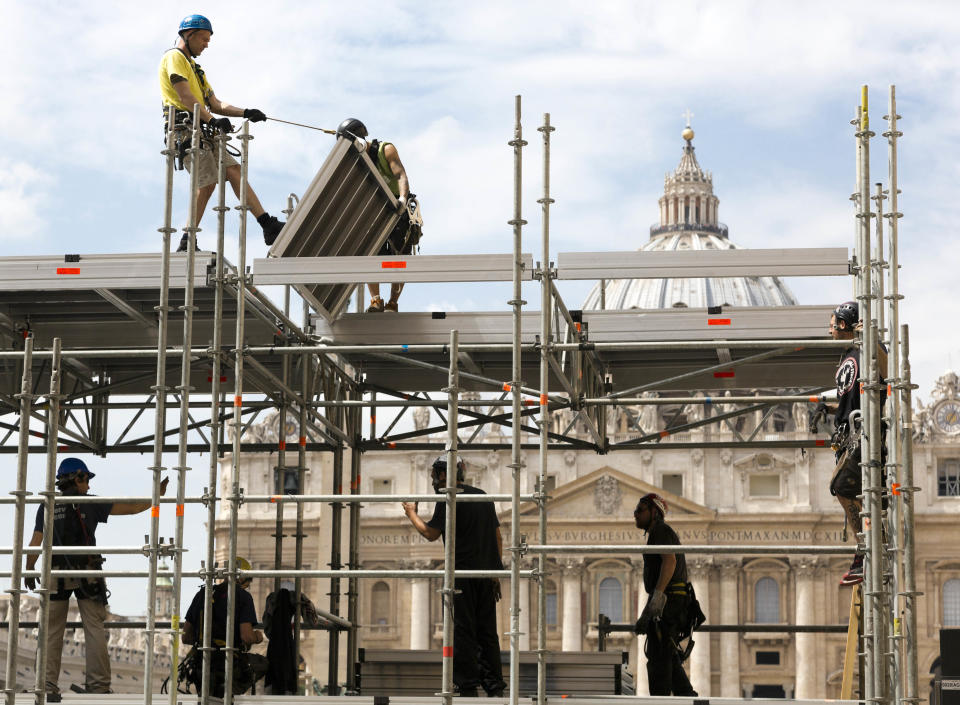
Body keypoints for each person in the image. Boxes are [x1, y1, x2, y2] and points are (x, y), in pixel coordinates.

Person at [24, 458, 168, 701]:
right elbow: (131, 507)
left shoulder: (47, 505)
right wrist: (156, 496)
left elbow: (35, 541)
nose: (89, 486)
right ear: (77, 478)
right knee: (94, 628)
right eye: (86, 480)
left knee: (51, 631)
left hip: (56, 573)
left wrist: (29, 568)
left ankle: (46, 684)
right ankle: (98, 686)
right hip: (87, 572)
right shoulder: (90, 503)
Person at [159, 14, 285, 252]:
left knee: (233, 170)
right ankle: (187, 240)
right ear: (190, 35)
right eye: (204, 39)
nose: (206, 44)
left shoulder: (196, 69)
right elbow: (186, 97)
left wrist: (246, 112)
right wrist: (213, 121)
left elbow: (215, 103)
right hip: (185, 131)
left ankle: (267, 224)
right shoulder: (174, 58)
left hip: (201, 128)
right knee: (207, 183)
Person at [402, 456, 506, 698]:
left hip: (460, 576)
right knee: (488, 633)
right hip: (485, 574)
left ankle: (467, 685)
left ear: (442, 475)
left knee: (462, 630)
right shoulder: (483, 496)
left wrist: (411, 514)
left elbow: (430, 533)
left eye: (434, 476)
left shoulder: (448, 499)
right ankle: (495, 686)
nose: (433, 481)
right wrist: (496, 575)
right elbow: (498, 538)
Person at [818, 300, 888, 585]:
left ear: (844, 325)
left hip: (863, 434)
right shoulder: (846, 356)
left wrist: (871, 340)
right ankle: (869, 548)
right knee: (853, 493)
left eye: (832, 325)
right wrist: (828, 409)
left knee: (842, 488)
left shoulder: (868, 351)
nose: (829, 330)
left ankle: (867, 550)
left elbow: (886, 369)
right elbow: (849, 399)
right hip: (848, 435)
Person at [336, 118, 422, 313]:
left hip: (398, 206)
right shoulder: (355, 161)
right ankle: (376, 300)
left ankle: (393, 302)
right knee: (369, 251)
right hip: (375, 207)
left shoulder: (386, 150)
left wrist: (401, 198)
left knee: (400, 256)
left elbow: (400, 175)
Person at [633, 492, 699, 697]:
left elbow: (669, 562)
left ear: (654, 512)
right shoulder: (658, 532)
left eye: (640, 510)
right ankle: (688, 698)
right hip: (670, 600)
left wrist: (656, 603)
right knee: (667, 656)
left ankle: (660, 702)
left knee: (659, 661)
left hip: (669, 602)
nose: (635, 514)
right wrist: (647, 612)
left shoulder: (661, 530)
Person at [181, 556, 269, 697]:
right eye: (247, 583)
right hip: (228, 664)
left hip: (201, 664)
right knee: (263, 663)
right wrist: (258, 637)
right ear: (241, 578)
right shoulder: (242, 597)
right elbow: (246, 636)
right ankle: (229, 691)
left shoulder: (203, 594)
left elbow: (186, 637)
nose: (246, 587)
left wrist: (208, 642)